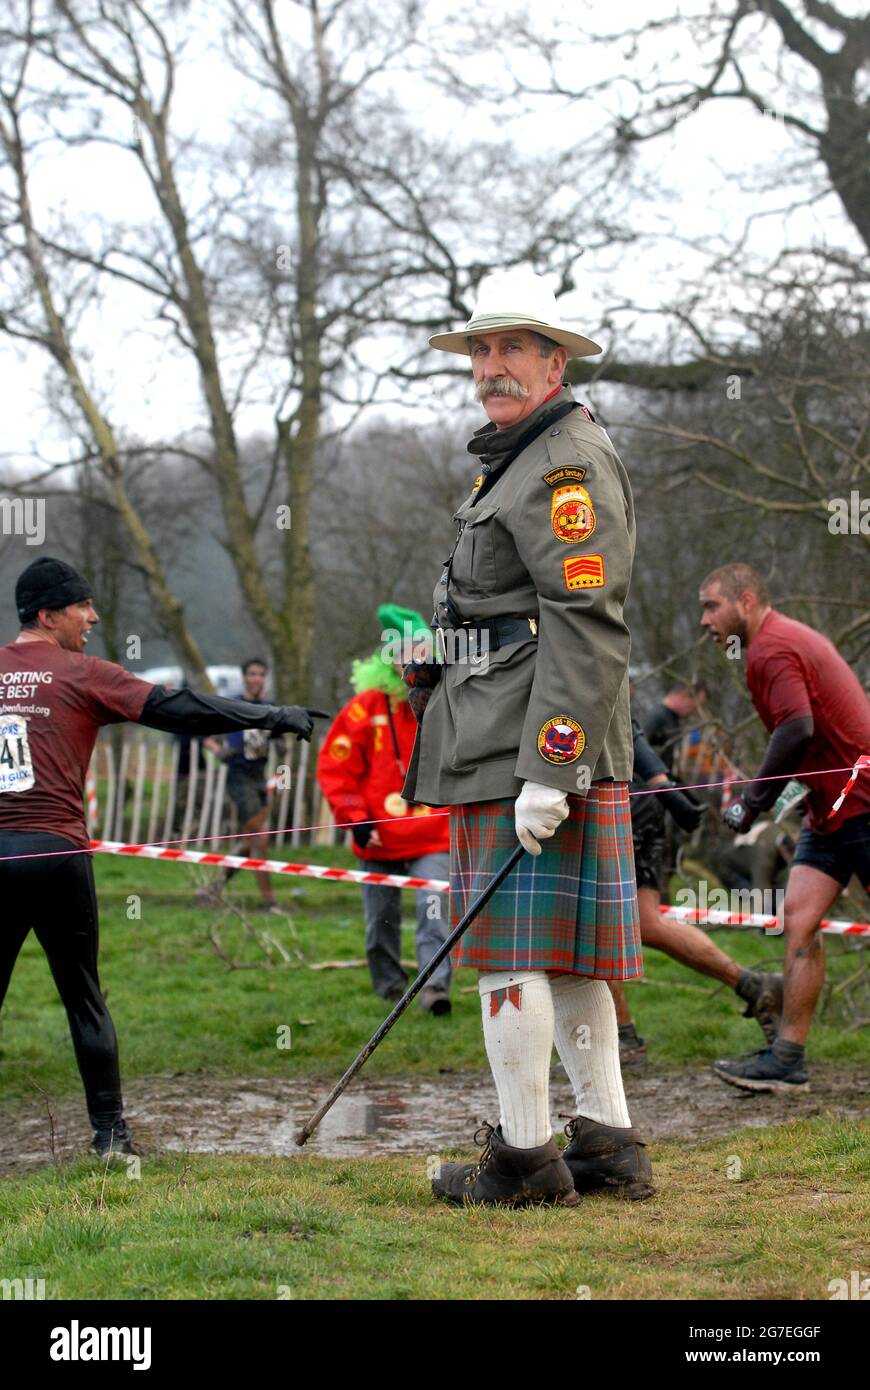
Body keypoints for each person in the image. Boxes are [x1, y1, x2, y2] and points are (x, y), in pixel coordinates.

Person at [403, 269, 652, 1207]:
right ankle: (608, 1142)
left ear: (555, 359)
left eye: (512, 348)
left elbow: (586, 620)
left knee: (510, 954)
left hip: (529, 746)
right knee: (567, 955)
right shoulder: (515, 457)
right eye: (480, 348)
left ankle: (524, 1160)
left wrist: (550, 768)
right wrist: (444, 649)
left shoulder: (562, 465)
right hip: (513, 729)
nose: (490, 366)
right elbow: (514, 607)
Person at [0, 557, 321, 1157]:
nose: (93, 617)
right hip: (59, 853)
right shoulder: (82, 672)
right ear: (47, 615)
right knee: (84, 997)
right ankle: (110, 1136)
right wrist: (270, 715)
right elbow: (179, 709)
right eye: (81, 608)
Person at [700, 563, 870, 1092]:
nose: (705, 619)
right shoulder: (768, 646)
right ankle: (788, 1060)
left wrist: (752, 803)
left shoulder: (773, 647)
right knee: (798, 922)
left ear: (745, 600)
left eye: (711, 606)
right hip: (828, 809)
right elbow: (806, 733)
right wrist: (792, 797)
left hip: (862, 798)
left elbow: (797, 728)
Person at [608, 717, 783, 1068]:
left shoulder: (564, 665)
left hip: (619, 794)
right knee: (645, 922)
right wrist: (664, 787)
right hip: (637, 793)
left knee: (596, 919)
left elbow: (622, 716)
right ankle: (753, 985)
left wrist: (664, 787)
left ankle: (623, 1040)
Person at [317, 605, 453, 1014]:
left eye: (418, 652)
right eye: (402, 652)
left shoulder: (445, 702)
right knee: (381, 922)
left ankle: (434, 989)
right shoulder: (363, 710)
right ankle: (390, 987)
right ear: (388, 658)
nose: (409, 660)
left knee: (434, 911)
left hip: (434, 834)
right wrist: (355, 820)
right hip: (377, 833)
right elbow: (336, 769)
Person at [197, 658, 283, 914]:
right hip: (238, 777)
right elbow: (203, 733)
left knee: (248, 842)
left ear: (264, 678)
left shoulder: (270, 708)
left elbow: (280, 742)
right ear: (244, 677)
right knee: (261, 839)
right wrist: (218, 750)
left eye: (260, 674)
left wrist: (281, 755)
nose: (256, 678)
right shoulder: (232, 704)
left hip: (260, 776)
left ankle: (212, 889)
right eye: (251, 673)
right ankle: (270, 903)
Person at [643, 682, 708, 777]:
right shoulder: (656, 716)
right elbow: (639, 753)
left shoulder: (673, 718)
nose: (695, 712)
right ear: (683, 696)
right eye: (695, 706)